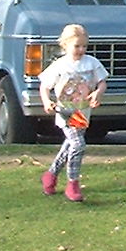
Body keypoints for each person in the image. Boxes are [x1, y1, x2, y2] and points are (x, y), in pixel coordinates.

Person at [38, 23, 108, 202]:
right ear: (66, 45)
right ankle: (73, 183)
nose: (81, 50)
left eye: (84, 46)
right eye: (77, 46)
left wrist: (97, 93)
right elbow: (45, 86)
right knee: (78, 145)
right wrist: (47, 101)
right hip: (65, 111)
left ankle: (51, 175)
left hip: (83, 111)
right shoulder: (60, 65)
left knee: (70, 145)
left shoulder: (91, 63)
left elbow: (102, 82)